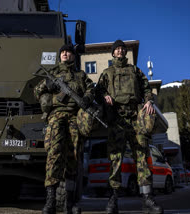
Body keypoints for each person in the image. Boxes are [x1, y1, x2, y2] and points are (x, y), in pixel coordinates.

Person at [95, 40, 163, 214]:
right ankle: (113, 199)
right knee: (115, 159)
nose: (119, 51)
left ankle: (147, 199)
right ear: (113, 53)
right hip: (116, 119)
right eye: (116, 49)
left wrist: (148, 100)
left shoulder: (135, 70)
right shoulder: (107, 73)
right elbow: (97, 91)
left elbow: (146, 87)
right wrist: (104, 96)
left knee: (141, 156)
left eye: (122, 49)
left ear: (125, 52)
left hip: (135, 118)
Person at [34, 44, 94, 214]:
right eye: (63, 52)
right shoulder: (52, 72)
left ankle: (70, 202)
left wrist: (87, 99)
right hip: (56, 116)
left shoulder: (80, 75)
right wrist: (47, 84)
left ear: (74, 56)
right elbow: (36, 92)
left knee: (74, 157)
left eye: (69, 52)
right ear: (60, 56)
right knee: (54, 154)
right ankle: (50, 200)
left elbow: (91, 89)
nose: (66, 54)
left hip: (74, 117)